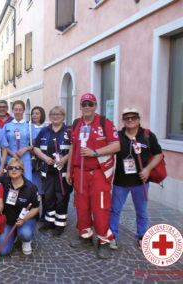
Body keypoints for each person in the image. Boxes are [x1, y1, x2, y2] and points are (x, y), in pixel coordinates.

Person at [66, 93, 120, 259]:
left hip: (98, 173)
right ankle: (86, 236)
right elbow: (73, 148)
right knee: (81, 206)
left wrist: (95, 152)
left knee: (100, 208)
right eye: (84, 104)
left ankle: (103, 240)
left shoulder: (105, 123)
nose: (87, 107)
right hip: (79, 172)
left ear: (95, 106)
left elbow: (117, 146)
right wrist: (69, 170)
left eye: (90, 104)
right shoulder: (76, 123)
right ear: (80, 106)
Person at [109, 108, 163, 250]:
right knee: (115, 210)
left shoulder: (147, 135)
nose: (130, 120)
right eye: (127, 118)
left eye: (133, 117)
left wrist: (148, 169)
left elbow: (158, 155)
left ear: (139, 119)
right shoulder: (118, 136)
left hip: (141, 182)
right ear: (123, 121)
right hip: (121, 182)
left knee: (141, 212)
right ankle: (112, 237)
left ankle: (141, 237)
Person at [34, 106, 73, 236]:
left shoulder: (69, 131)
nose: (56, 116)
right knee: (49, 197)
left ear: (63, 116)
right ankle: (49, 222)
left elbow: (75, 148)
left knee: (61, 197)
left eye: (59, 114)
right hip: (48, 170)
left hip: (64, 172)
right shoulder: (44, 131)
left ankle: (59, 225)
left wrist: (65, 159)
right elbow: (36, 148)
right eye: (53, 114)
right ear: (50, 116)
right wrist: (45, 158)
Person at [0, 158, 40, 256]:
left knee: (25, 233)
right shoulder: (3, 181)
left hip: (26, 218)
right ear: (7, 171)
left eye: (17, 167)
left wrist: (24, 219)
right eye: (10, 168)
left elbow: (36, 207)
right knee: (3, 251)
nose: (14, 170)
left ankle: (26, 240)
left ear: (22, 171)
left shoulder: (31, 188)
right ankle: (14, 234)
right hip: (9, 220)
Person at [4, 100, 33, 181]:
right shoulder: (7, 126)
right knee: (12, 180)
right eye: (16, 109)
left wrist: (26, 149)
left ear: (24, 110)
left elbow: (34, 144)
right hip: (11, 157)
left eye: (20, 109)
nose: (18, 112)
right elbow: (3, 145)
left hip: (25, 158)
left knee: (26, 180)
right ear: (13, 111)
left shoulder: (29, 125)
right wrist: (13, 154)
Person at [30, 106, 46, 220]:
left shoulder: (45, 128)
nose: (34, 115)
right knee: (33, 189)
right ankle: (34, 212)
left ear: (42, 115)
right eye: (33, 113)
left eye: (37, 113)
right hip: (31, 161)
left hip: (42, 161)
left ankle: (44, 212)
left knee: (43, 189)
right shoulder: (29, 127)